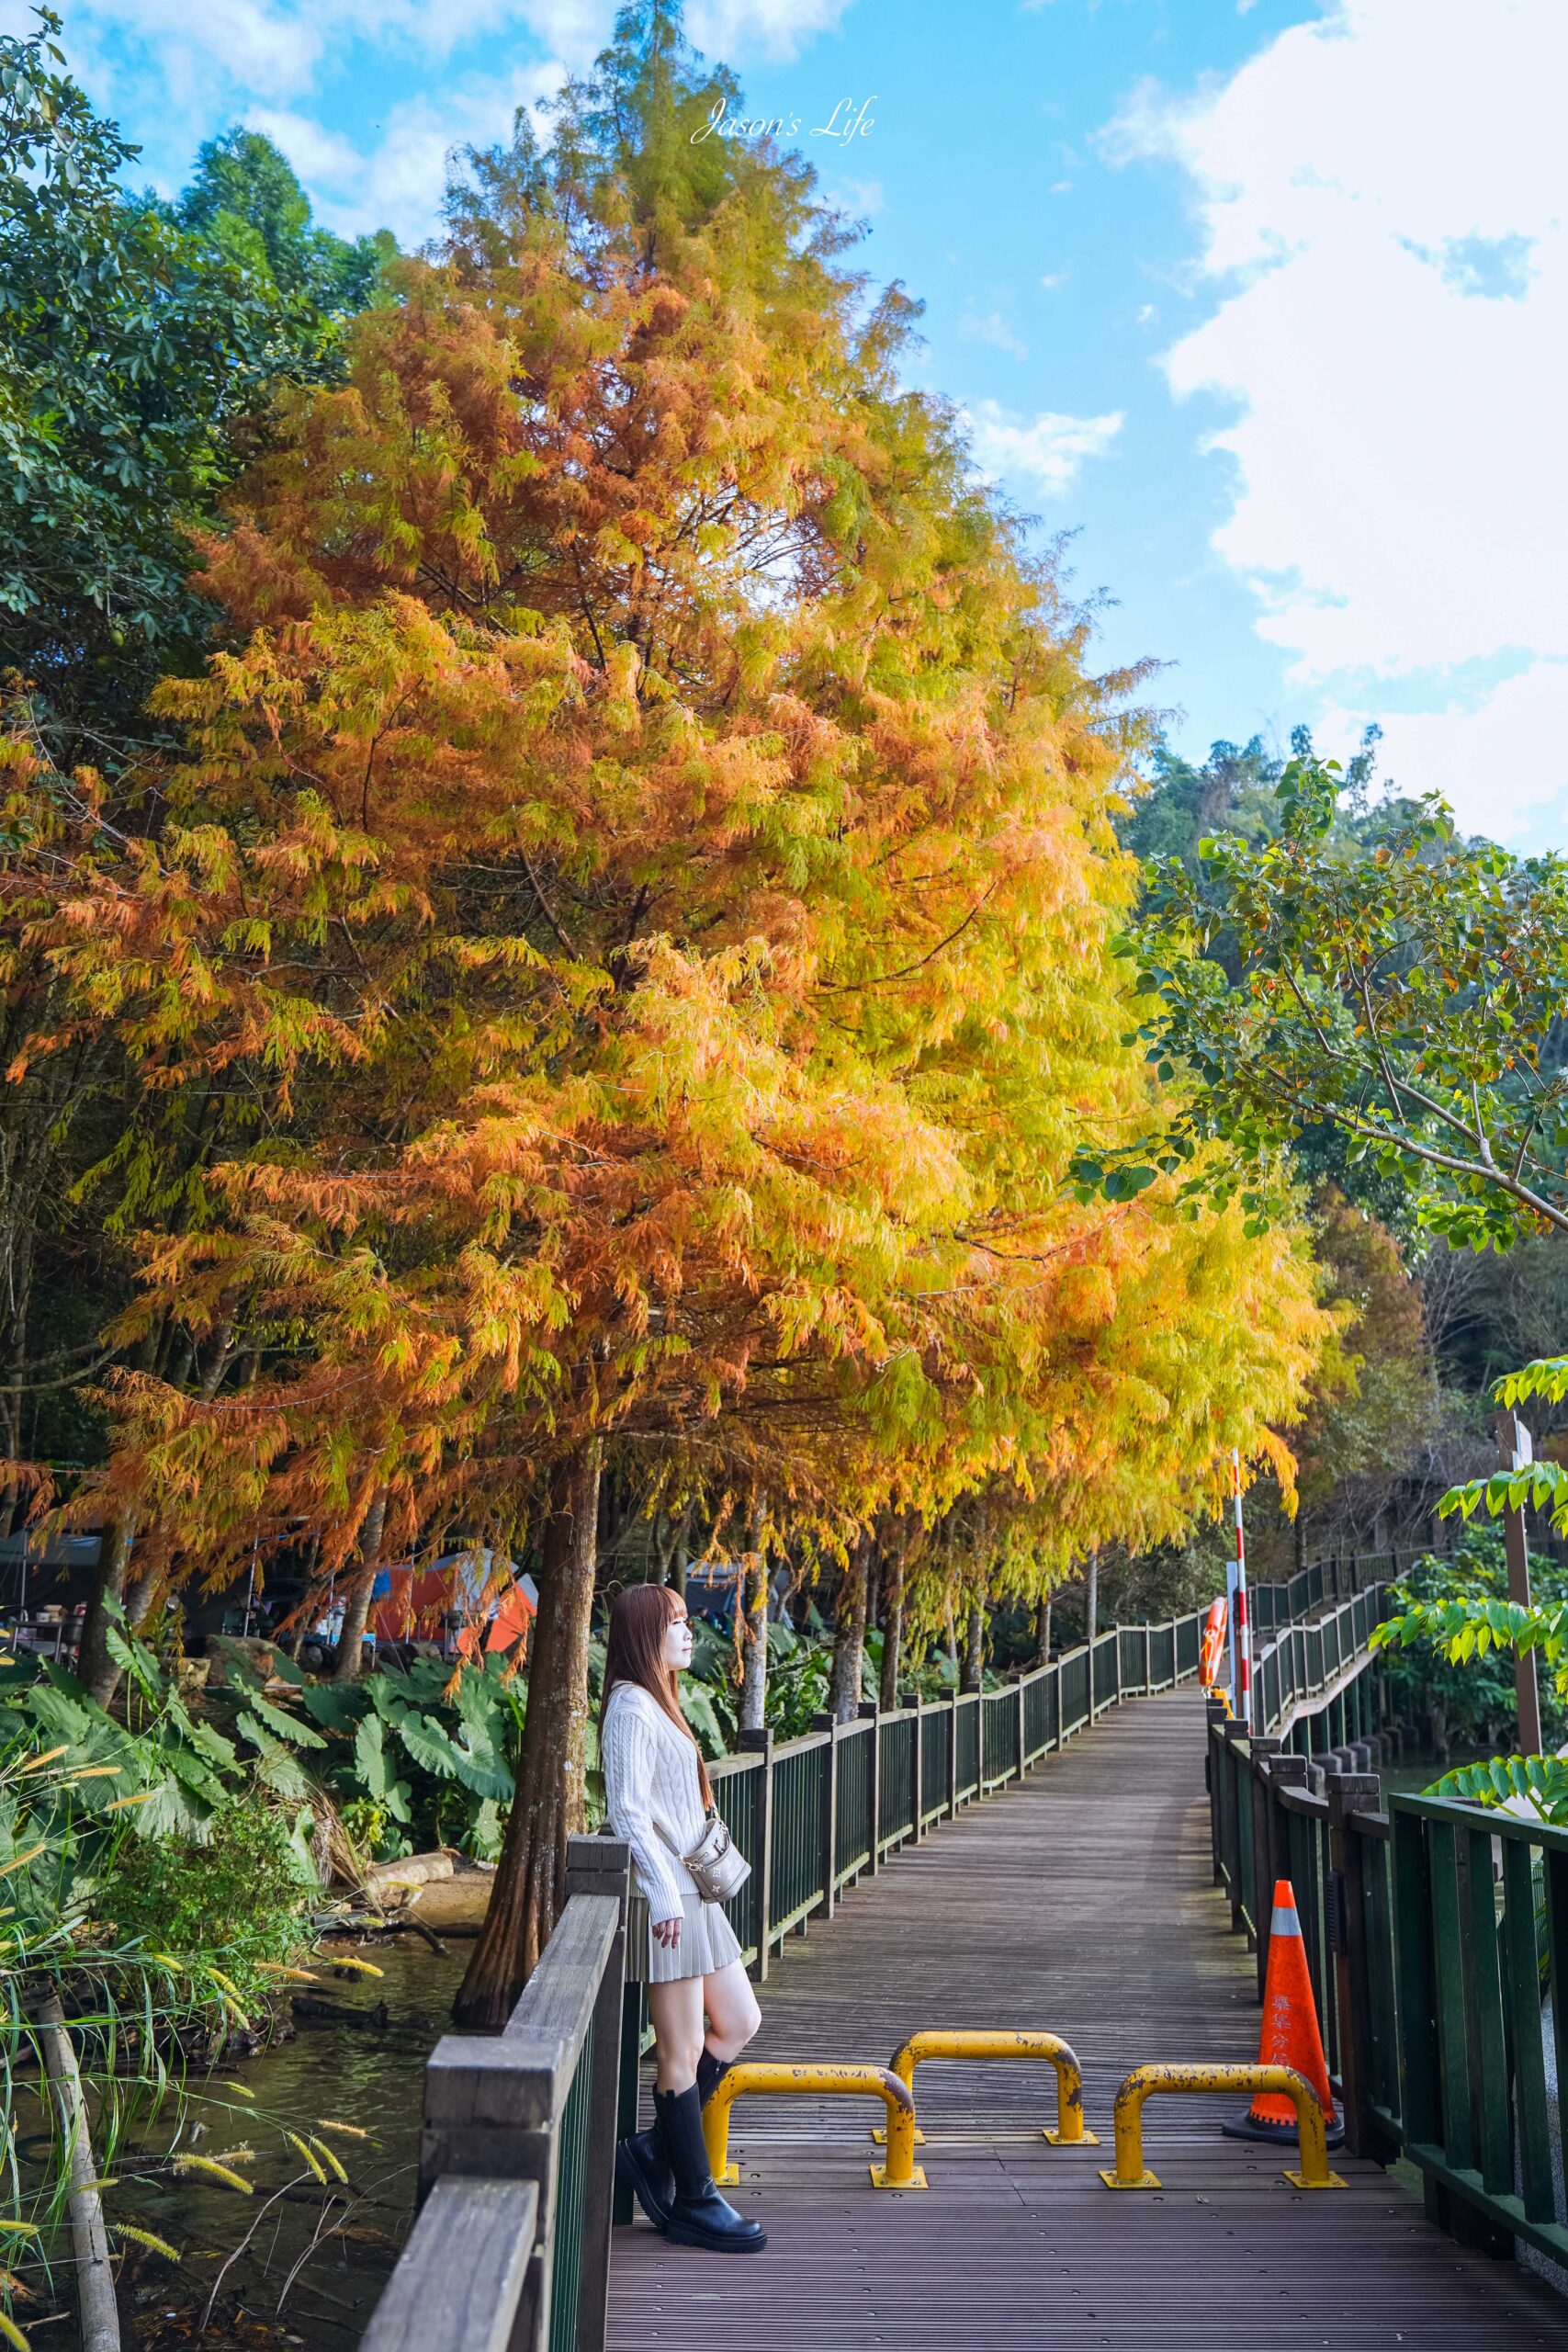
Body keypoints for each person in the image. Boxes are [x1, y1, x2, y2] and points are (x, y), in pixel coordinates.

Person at [603, 1582, 764, 2254]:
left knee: (740, 2021)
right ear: (646, 1633)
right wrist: (664, 1896)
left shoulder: (657, 1700)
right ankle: (694, 2201)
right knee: (681, 2051)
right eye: (675, 1622)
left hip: (691, 1897)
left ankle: (651, 2149)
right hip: (666, 1904)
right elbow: (627, 1811)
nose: (688, 1630)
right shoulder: (630, 1707)